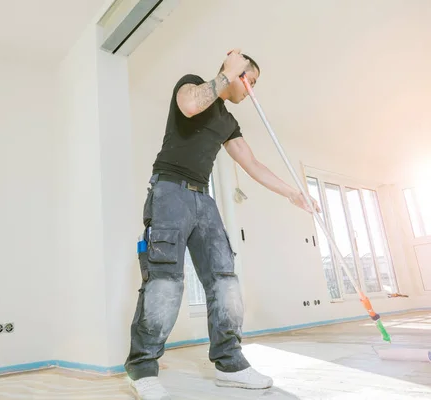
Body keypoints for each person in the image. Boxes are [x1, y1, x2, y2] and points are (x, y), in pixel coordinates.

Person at [125, 49, 320, 400]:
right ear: (236, 73)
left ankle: (230, 364)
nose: (252, 90)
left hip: (204, 198)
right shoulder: (193, 86)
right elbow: (189, 106)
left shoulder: (229, 123)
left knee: (225, 280)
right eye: (251, 80)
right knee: (165, 280)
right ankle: (142, 368)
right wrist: (226, 75)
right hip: (169, 190)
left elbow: (253, 164)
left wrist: (293, 194)